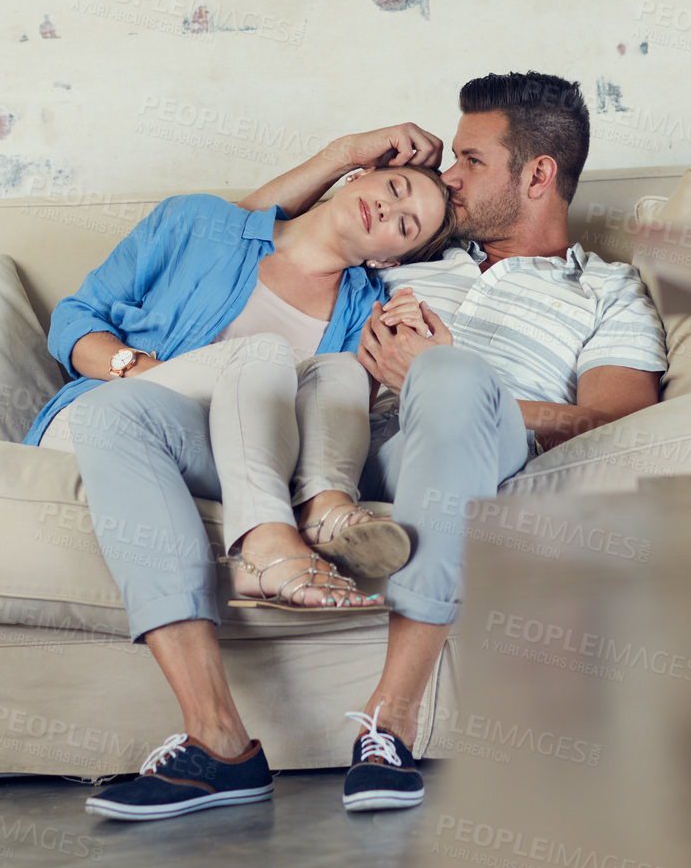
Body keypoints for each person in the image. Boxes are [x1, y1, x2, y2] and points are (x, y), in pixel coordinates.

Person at [242, 72, 668, 813]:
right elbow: (238, 239)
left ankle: (392, 715)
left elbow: (612, 419)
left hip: (487, 440)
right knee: (440, 376)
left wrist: (437, 379)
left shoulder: (606, 290)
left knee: (452, 377)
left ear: (538, 175)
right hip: (364, 445)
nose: (447, 177)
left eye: (471, 160)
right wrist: (344, 154)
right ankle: (391, 728)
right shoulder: (405, 252)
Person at [22, 146, 454, 820]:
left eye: (406, 225)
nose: (390, 208)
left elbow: (341, 412)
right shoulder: (200, 224)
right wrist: (141, 372)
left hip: (219, 463)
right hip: (108, 415)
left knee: (338, 373)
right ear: (356, 175)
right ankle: (272, 541)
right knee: (262, 354)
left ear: (391, 259)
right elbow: (75, 319)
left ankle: (323, 518)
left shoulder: (367, 308)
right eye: (394, 187)